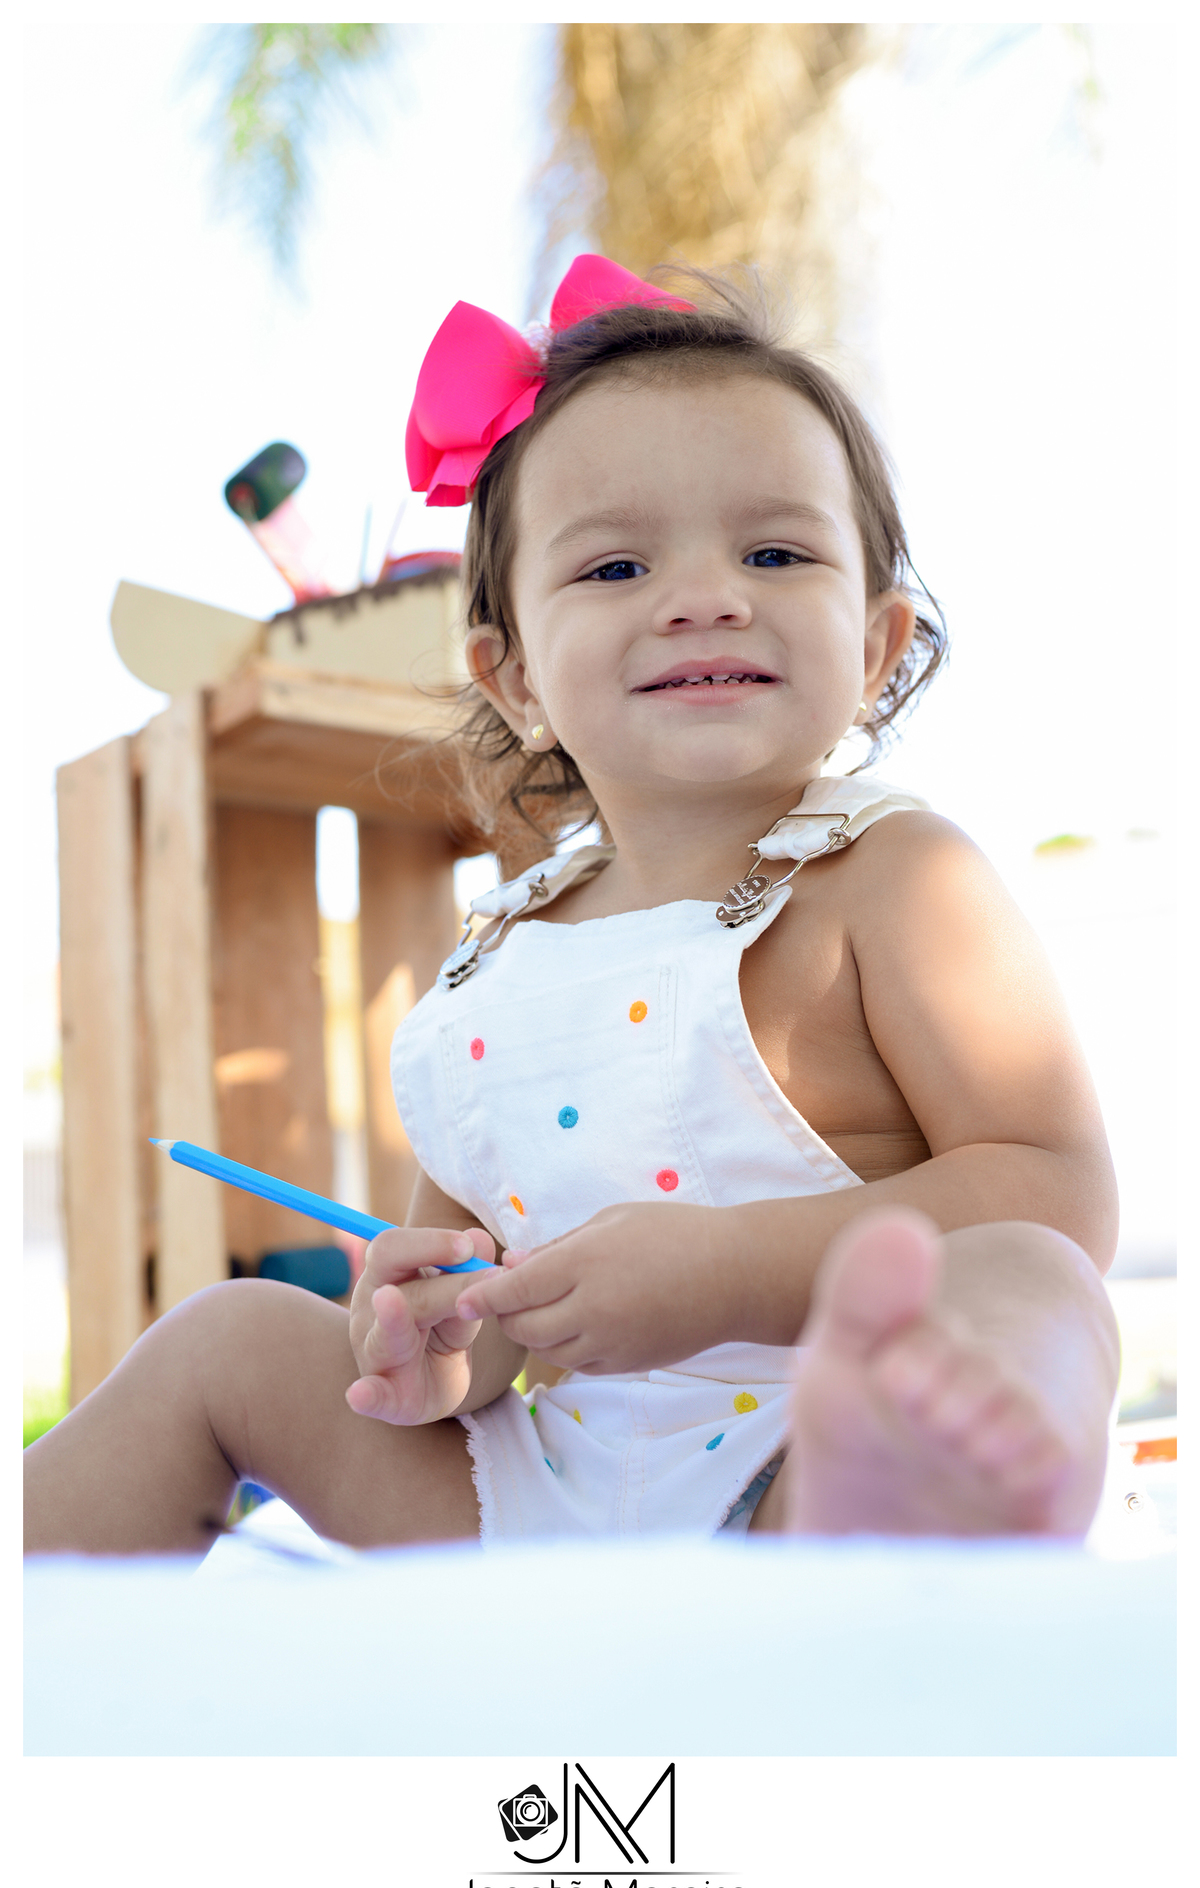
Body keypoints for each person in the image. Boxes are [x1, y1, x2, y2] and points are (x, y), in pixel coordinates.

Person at [24, 256, 1119, 1555]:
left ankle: (893, 1539)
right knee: (230, 1338)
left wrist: (732, 1272)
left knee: (1028, 1280)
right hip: (538, 1503)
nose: (704, 595)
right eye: (615, 567)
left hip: (812, 1470)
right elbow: (471, 1305)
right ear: (516, 677)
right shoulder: (497, 959)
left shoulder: (891, 877)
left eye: (774, 551)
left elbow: (1058, 1192)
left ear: (876, 646)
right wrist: (428, 1337)